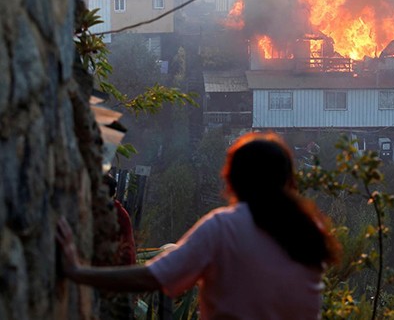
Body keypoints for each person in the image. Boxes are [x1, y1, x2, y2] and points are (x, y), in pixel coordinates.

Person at [57, 132, 341, 320]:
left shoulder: (224, 227)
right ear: (289, 180)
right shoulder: (309, 231)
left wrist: (77, 272)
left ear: (233, 179)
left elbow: (152, 278)